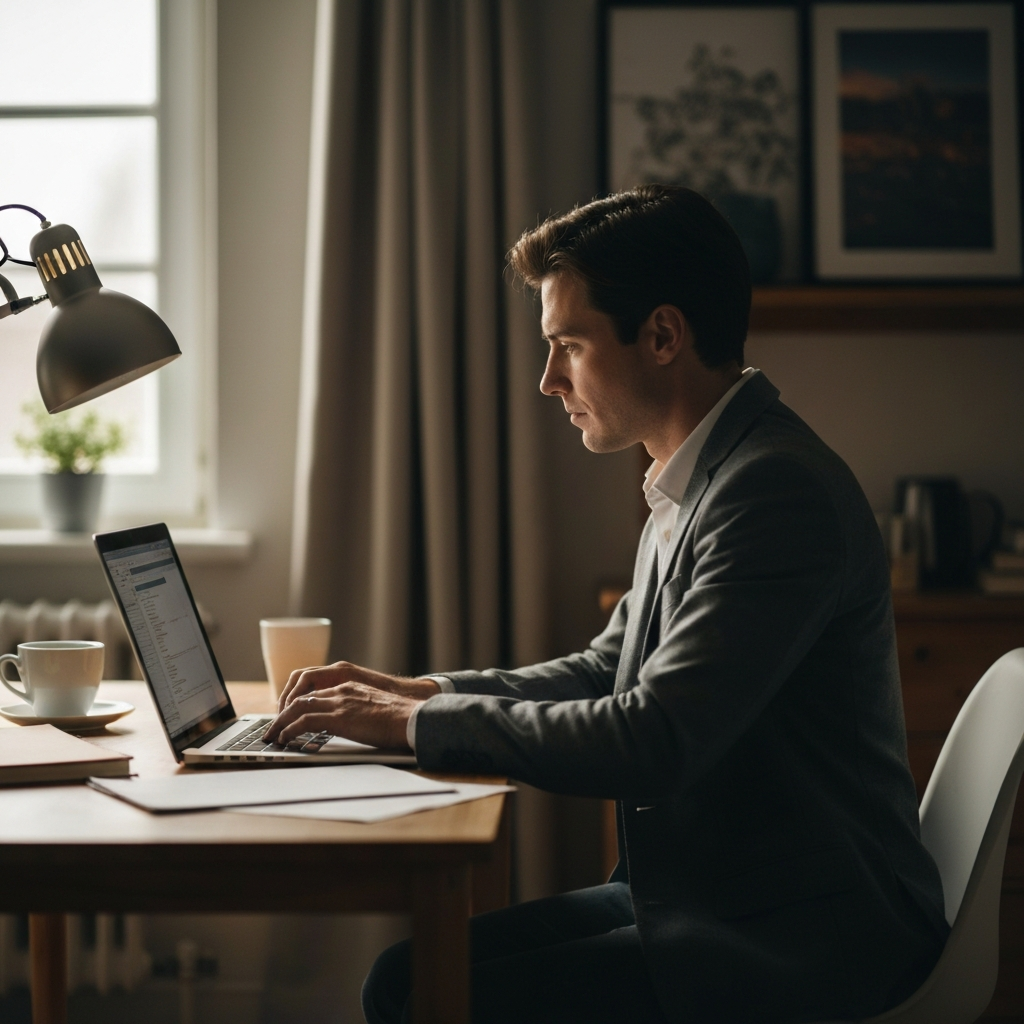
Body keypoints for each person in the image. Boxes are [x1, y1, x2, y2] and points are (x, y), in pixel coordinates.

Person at [265, 185, 949, 1024]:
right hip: (715, 902)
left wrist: (411, 727)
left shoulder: (773, 492)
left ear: (662, 335)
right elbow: (606, 668)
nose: (548, 381)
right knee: (402, 982)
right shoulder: (701, 475)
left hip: (805, 936)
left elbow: (652, 736)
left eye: (569, 345)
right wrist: (421, 695)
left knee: (426, 997)